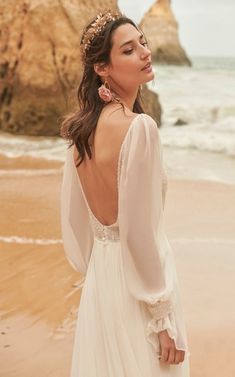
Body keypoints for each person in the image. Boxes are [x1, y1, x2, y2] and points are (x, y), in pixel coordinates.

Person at [60, 9, 190, 377]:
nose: (145, 53)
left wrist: (99, 273)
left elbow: (74, 219)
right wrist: (162, 316)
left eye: (143, 43)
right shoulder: (140, 129)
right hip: (140, 288)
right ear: (102, 67)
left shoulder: (79, 133)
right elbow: (137, 233)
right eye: (129, 50)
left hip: (102, 280)